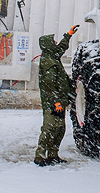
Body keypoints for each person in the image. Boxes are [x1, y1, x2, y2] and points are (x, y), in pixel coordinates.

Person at [34, 24, 79, 167]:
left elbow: (61, 47)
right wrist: (56, 102)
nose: (55, 43)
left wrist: (69, 34)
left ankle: (53, 154)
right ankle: (40, 156)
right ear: (48, 46)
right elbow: (50, 87)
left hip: (59, 101)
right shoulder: (48, 62)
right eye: (53, 42)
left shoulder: (52, 55)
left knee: (60, 128)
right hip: (52, 103)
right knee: (49, 128)